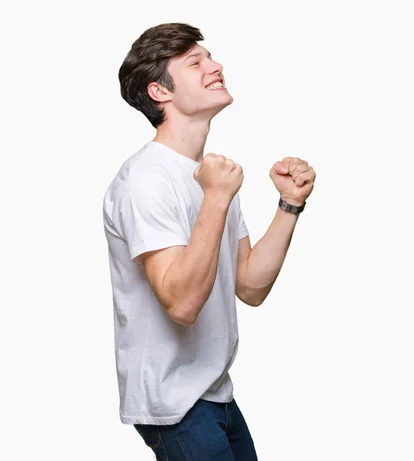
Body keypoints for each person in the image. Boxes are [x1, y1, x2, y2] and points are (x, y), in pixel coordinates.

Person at [102, 22, 316, 461]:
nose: (215, 66)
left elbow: (251, 286)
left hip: (215, 391)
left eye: (210, 57)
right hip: (175, 405)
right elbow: (181, 304)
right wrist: (217, 196)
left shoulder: (209, 172)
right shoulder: (145, 179)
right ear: (160, 92)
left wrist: (288, 205)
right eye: (194, 62)